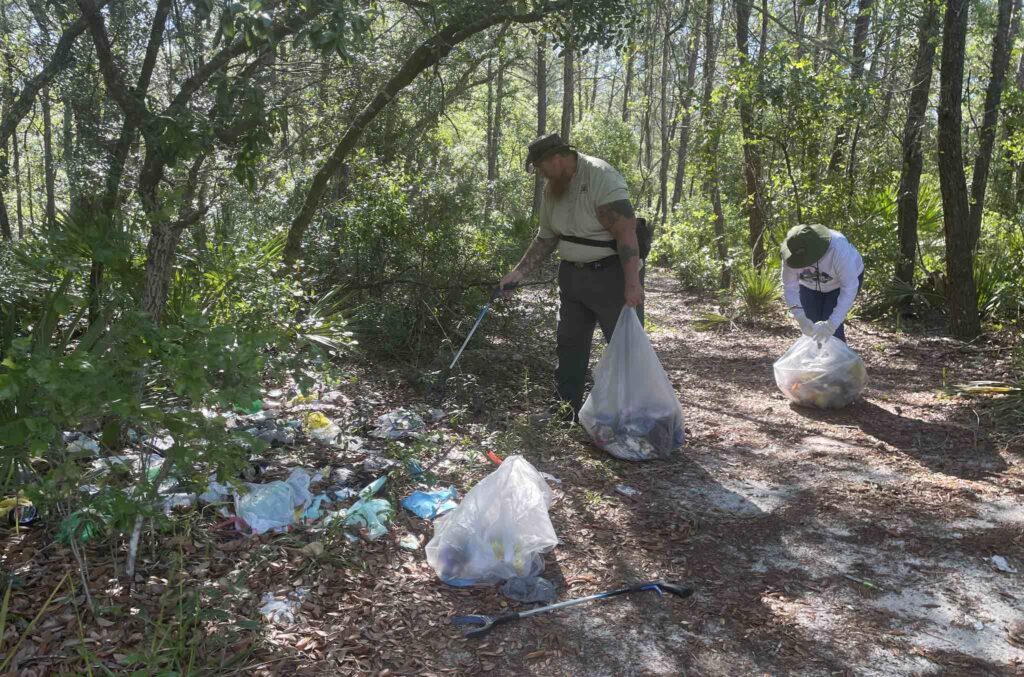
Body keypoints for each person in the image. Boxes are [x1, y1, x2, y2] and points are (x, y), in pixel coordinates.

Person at [499, 133, 643, 422]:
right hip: (573, 279)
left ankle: (635, 417)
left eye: (541, 166)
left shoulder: (600, 176)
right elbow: (545, 239)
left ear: (558, 158)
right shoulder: (554, 189)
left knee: (625, 347)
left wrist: (632, 284)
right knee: (570, 346)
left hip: (611, 275)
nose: (540, 174)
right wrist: (518, 272)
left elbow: (626, 233)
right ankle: (565, 412)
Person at [781, 224, 864, 343]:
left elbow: (849, 287)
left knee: (833, 332)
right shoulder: (789, 254)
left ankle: (838, 360)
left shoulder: (837, 248)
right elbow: (789, 287)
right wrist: (800, 317)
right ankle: (815, 360)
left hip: (839, 285)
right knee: (812, 327)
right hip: (808, 285)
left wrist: (832, 324)